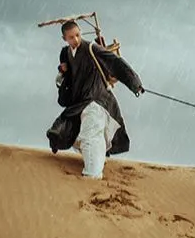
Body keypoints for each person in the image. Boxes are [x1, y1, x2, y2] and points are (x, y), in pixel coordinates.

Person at [45, 20, 145, 179]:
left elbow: (115, 62)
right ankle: (96, 163)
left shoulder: (92, 48)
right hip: (80, 103)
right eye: (71, 37)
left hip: (97, 99)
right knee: (73, 134)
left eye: (77, 35)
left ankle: (92, 176)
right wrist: (63, 71)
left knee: (90, 136)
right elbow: (67, 78)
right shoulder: (66, 53)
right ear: (64, 38)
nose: (75, 39)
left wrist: (135, 84)